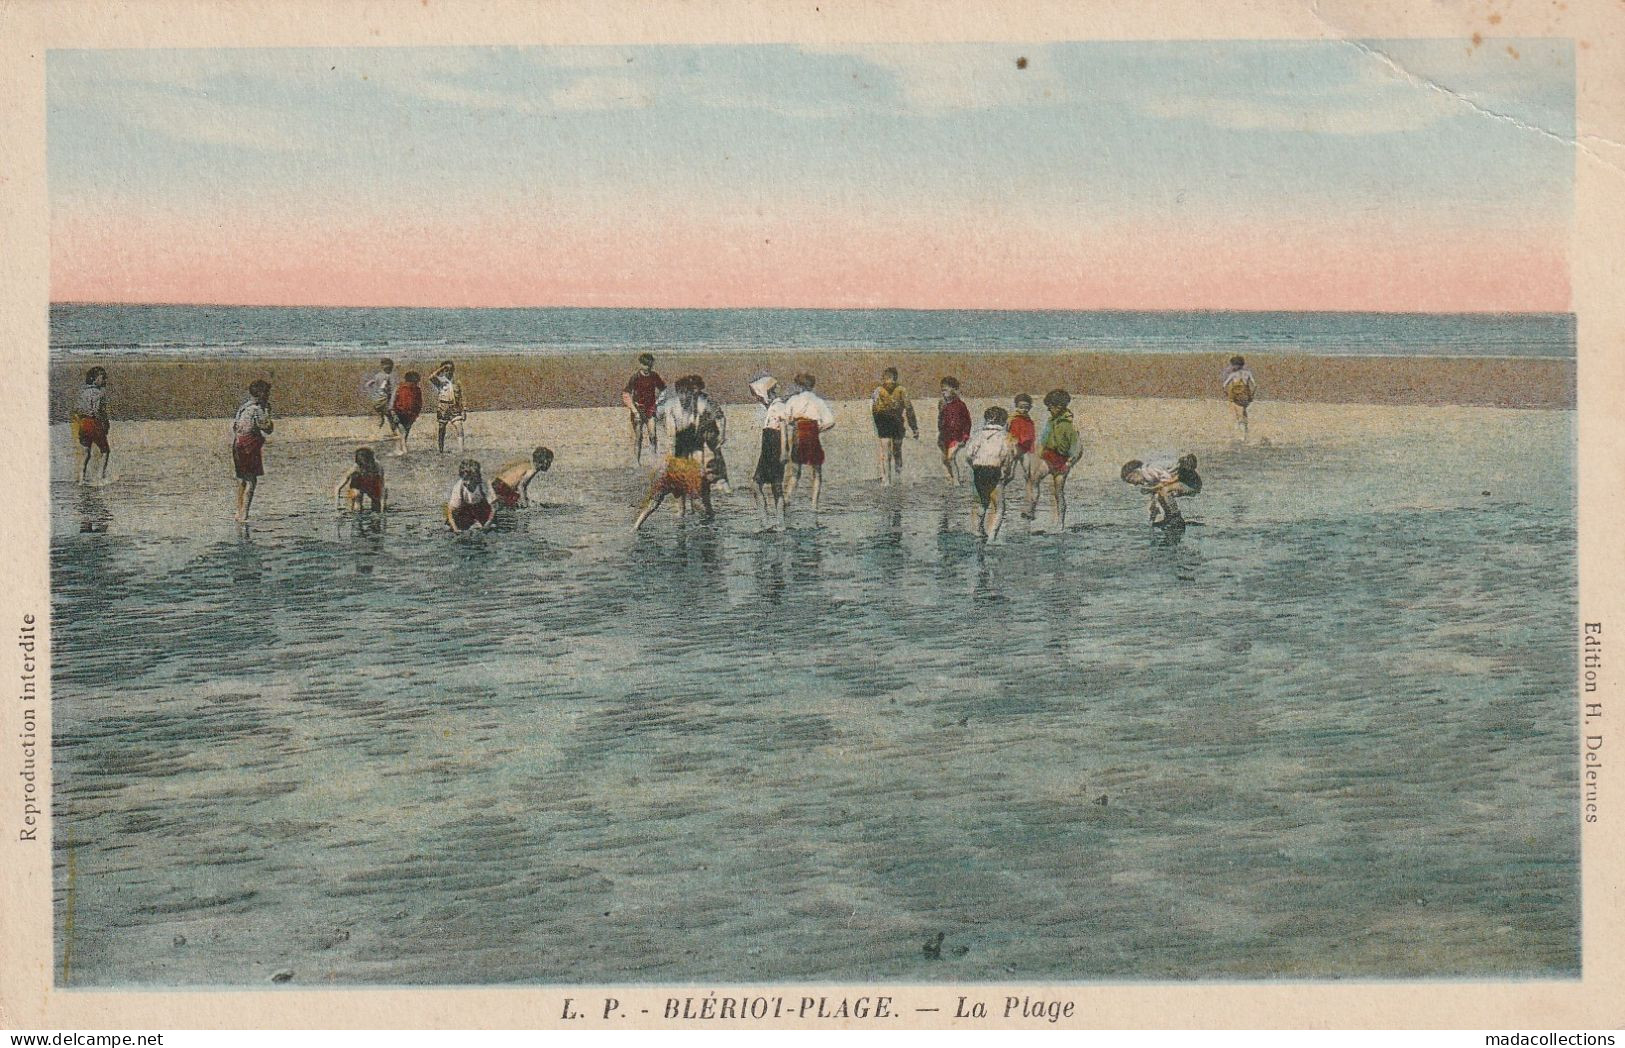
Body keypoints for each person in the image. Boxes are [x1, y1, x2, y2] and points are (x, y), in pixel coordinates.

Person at [1023, 389, 1083, 528]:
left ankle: (1060, 523)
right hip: (1049, 456)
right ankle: (1031, 510)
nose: (1049, 409)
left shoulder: (1069, 425)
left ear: (1060, 406)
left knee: (1058, 492)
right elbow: (1043, 441)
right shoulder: (1051, 421)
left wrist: (1069, 463)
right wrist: (1036, 458)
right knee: (1034, 479)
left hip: (1063, 461)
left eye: (1050, 406)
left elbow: (1078, 449)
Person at [962, 406, 1020, 541]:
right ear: (1004, 422)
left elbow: (969, 454)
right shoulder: (1006, 436)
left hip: (979, 470)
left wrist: (974, 466)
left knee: (982, 501)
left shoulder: (978, 435)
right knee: (999, 506)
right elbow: (1009, 454)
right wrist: (1006, 471)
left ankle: (977, 530)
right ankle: (992, 536)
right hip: (995, 469)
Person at [783, 372, 835, 515]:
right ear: (812, 386)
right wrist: (819, 429)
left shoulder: (793, 399)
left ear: (799, 386)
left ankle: (787, 499)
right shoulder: (818, 401)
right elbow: (831, 421)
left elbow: (786, 419)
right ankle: (814, 505)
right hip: (812, 433)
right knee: (817, 472)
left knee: (795, 472)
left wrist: (794, 422)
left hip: (798, 433)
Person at [748, 374, 791, 530]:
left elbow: (784, 428)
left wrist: (785, 451)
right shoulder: (771, 406)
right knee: (756, 484)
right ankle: (765, 522)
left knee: (776, 486)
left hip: (775, 445)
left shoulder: (779, 406)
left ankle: (780, 522)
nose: (759, 399)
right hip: (767, 446)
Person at [633, 454, 716, 531]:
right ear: (709, 473)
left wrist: (711, 514)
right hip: (667, 479)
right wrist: (707, 515)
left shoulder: (706, 481)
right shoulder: (698, 480)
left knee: (682, 510)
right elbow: (696, 504)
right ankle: (636, 527)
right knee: (653, 505)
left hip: (680, 483)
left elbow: (706, 500)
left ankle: (680, 528)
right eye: (716, 477)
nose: (717, 480)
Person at [231, 379, 274, 524]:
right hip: (249, 446)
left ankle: (238, 512)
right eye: (267, 393)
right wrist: (268, 412)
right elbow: (268, 429)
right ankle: (245, 515)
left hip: (237, 445)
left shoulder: (243, 407)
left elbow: (235, 427)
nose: (268, 396)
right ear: (262, 394)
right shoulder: (258, 409)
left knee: (242, 480)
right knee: (251, 481)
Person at [1122, 454, 1203, 526]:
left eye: (1131, 479)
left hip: (1191, 482)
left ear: (1136, 471)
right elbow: (1156, 495)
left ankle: (1176, 518)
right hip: (1184, 481)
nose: (1134, 484)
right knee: (1161, 492)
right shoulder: (1147, 477)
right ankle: (1169, 517)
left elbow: (1167, 481)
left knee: (1165, 490)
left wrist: (1151, 489)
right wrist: (1153, 511)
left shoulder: (1149, 470)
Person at [870, 367, 919, 485]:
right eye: (886, 379)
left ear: (895, 379)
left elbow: (909, 409)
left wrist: (914, 427)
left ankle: (898, 476)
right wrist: (878, 428)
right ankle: (886, 479)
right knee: (886, 450)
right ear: (883, 379)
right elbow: (874, 410)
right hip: (884, 422)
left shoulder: (901, 390)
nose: (888, 382)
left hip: (897, 423)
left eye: (891, 379)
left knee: (897, 450)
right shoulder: (878, 390)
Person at [622, 353, 666, 463]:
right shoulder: (636, 377)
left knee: (652, 435)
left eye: (649, 365)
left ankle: (653, 460)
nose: (647, 368)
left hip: (650, 409)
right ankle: (637, 462)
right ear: (641, 364)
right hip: (638, 409)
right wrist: (633, 410)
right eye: (645, 365)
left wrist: (657, 403)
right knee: (639, 436)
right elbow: (626, 393)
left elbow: (664, 390)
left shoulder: (654, 376)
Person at [70, 366, 111, 484]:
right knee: (105, 451)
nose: (105, 381)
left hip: (83, 424)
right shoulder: (100, 394)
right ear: (95, 379)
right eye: (103, 378)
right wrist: (105, 423)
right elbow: (99, 411)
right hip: (94, 423)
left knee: (86, 451)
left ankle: (81, 478)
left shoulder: (82, 393)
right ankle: (100, 477)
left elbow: (77, 409)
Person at [936, 377, 972, 485]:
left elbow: (967, 422)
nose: (943, 392)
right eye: (942, 390)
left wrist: (965, 436)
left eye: (946, 390)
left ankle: (956, 482)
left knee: (951, 457)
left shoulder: (960, 405)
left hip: (957, 437)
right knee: (945, 459)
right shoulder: (943, 405)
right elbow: (940, 420)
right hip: (945, 437)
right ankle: (952, 477)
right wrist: (940, 435)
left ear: (955, 390)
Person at [445, 458, 495, 533]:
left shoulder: (484, 485)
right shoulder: (459, 487)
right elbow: (451, 511)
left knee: (492, 528)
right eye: (465, 479)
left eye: (471, 479)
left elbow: (494, 507)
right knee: (448, 528)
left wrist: (488, 524)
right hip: (466, 510)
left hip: (481, 509)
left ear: (477, 477)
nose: (468, 482)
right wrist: (456, 530)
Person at [334, 446, 387, 515]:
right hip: (358, 486)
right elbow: (338, 488)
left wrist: (382, 509)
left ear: (372, 461)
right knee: (356, 509)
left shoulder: (378, 467)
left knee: (376, 509)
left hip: (372, 485)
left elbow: (382, 488)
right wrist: (336, 506)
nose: (365, 469)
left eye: (367, 466)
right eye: (363, 467)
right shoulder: (355, 468)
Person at [429, 361, 467, 454]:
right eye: (446, 370)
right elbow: (431, 377)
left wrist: (464, 410)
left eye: (450, 370)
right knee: (442, 428)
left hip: (455, 407)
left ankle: (461, 450)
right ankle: (441, 449)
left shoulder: (457, 382)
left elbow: (462, 397)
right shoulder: (440, 381)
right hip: (443, 407)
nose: (448, 372)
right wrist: (441, 369)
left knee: (459, 427)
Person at [1221, 356, 1258, 440]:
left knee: (1238, 415)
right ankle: (1246, 432)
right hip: (1246, 397)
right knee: (1244, 413)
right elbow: (1255, 385)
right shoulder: (1248, 373)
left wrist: (1228, 395)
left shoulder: (1233, 374)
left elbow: (1224, 385)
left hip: (1236, 397)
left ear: (1235, 365)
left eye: (1232, 365)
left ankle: (1242, 435)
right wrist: (1251, 395)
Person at [389, 371, 424, 456]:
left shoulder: (417, 390)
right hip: (398, 413)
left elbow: (419, 403)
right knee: (403, 432)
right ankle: (404, 450)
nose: (415, 384)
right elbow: (392, 401)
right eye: (414, 382)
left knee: (405, 432)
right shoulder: (399, 388)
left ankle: (401, 448)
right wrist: (393, 412)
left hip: (410, 415)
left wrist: (415, 415)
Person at [363, 357, 397, 434]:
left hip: (376, 400)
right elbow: (387, 388)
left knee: (381, 417)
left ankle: (375, 432)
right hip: (384, 400)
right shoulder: (387, 376)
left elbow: (368, 384)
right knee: (390, 417)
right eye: (390, 368)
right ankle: (394, 432)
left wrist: (371, 392)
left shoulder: (377, 375)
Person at [1008, 393, 1037, 478]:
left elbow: (1031, 434)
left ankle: (1029, 490)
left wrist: (1031, 446)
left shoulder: (1028, 419)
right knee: (1009, 475)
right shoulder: (1013, 418)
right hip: (1014, 448)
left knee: (1028, 472)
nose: (1024, 410)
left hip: (1024, 449)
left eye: (1026, 407)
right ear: (1016, 406)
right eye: (1021, 407)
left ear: (1030, 407)